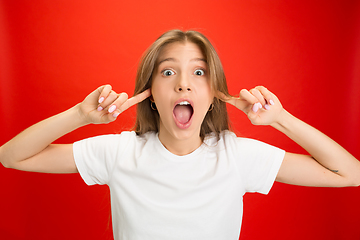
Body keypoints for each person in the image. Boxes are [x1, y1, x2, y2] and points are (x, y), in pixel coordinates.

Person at [0, 29, 359, 240]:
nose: (185, 84)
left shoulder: (237, 155)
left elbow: (351, 174)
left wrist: (280, 119)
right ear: (151, 93)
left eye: (199, 73)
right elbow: (11, 155)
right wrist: (80, 115)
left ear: (214, 93)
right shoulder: (120, 152)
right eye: (168, 73)